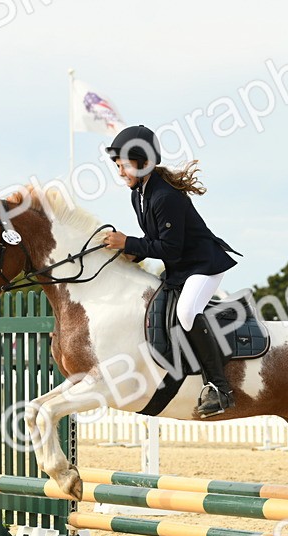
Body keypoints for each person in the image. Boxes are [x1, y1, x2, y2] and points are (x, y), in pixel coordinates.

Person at [101, 124, 241, 418]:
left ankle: (221, 389)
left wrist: (129, 241)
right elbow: (155, 243)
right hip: (181, 269)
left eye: (124, 165)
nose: (120, 172)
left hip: (204, 266)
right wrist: (130, 251)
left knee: (187, 312)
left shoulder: (164, 196)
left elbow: (170, 248)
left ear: (144, 162)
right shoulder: (139, 194)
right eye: (117, 166)